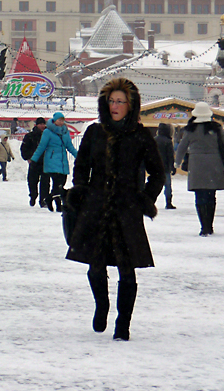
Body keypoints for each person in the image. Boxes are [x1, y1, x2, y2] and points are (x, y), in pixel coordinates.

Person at [65, 77, 163, 341]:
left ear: (131, 105)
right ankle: (102, 306)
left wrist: (145, 198)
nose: (115, 106)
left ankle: (124, 323)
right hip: (96, 207)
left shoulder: (142, 136)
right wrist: (81, 190)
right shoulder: (94, 133)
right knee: (95, 266)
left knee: (127, 270)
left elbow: (157, 173)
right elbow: (81, 166)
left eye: (121, 101)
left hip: (127, 209)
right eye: (111, 100)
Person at [175, 102, 224, 236]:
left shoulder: (190, 130)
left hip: (196, 166)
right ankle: (210, 226)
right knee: (211, 197)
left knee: (199, 197)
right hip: (214, 166)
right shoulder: (216, 128)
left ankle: (203, 227)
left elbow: (181, 148)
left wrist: (177, 163)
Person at [31, 112, 78, 212]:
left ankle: (49, 198)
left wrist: (79, 156)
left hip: (62, 161)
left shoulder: (65, 132)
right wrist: (34, 159)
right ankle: (58, 204)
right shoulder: (48, 132)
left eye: (62, 120)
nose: (61, 122)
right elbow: (42, 146)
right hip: (51, 160)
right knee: (58, 184)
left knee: (62, 182)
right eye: (59, 120)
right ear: (54, 120)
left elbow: (69, 146)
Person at [20, 117, 49, 207]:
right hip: (34, 162)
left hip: (45, 162)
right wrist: (28, 158)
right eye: (40, 124)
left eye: (43, 124)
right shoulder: (30, 136)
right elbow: (24, 149)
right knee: (32, 181)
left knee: (45, 182)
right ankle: (33, 196)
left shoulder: (48, 136)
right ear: (36, 125)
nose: (42, 126)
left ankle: (43, 200)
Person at [154, 124, 176, 210]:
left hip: (155, 166)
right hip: (165, 167)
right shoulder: (168, 141)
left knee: (155, 185)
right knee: (167, 186)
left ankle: (150, 201)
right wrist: (172, 167)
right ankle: (168, 202)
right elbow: (170, 155)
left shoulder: (154, 140)